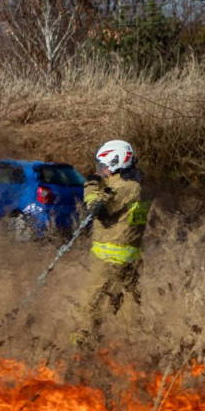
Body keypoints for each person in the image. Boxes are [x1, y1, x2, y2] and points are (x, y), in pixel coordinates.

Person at [74, 140, 149, 349]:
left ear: (116, 163)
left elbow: (97, 206)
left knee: (89, 308)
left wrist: (90, 185)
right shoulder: (137, 187)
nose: (102, 171)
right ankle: (131, 352)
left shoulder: (126, 188)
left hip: (108, 262)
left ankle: (78, 351)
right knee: (128, 311)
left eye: (104, 166)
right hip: (129, 262)